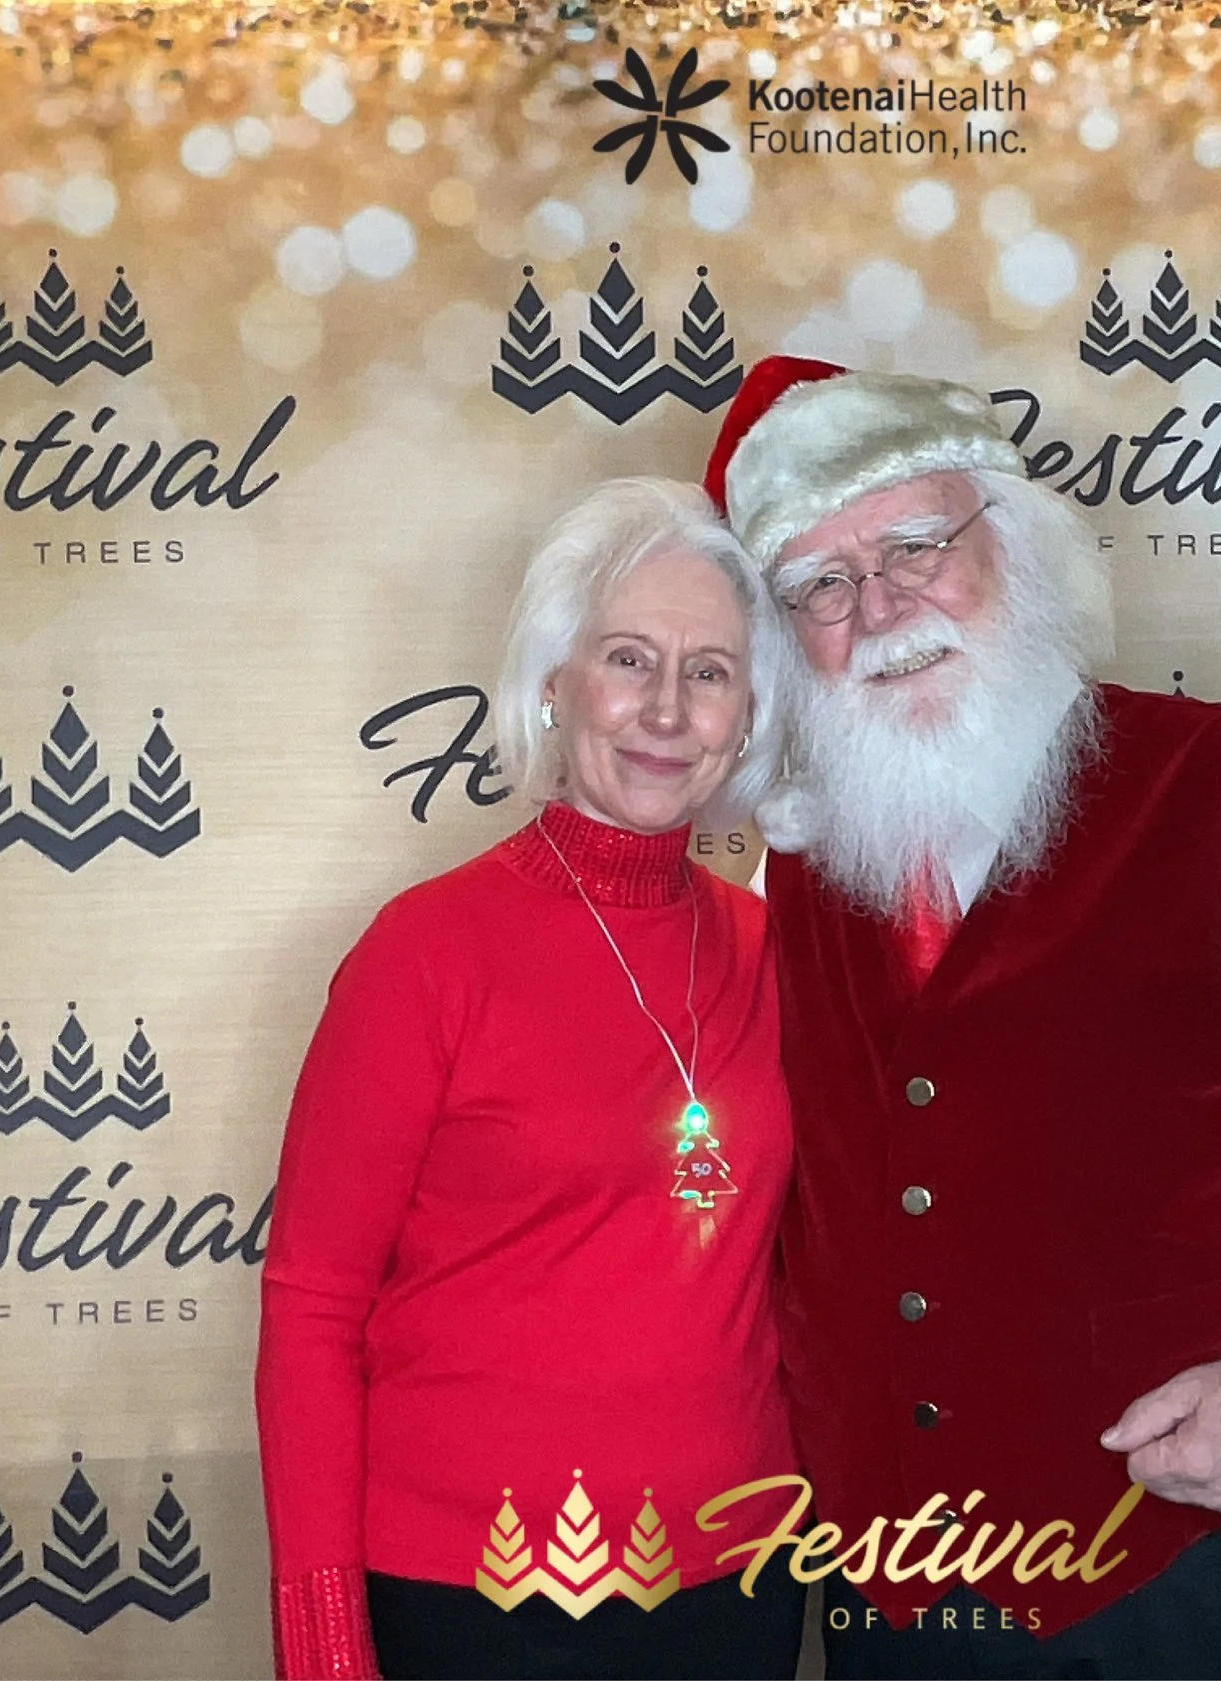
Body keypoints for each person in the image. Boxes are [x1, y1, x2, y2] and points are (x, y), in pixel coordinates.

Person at [700, 359, 1221, 1680]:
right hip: (916, 1609)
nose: (880, 609)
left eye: (917, 545)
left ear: (1015, 544)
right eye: (820, 583)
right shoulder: (776, 872)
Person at [256, 478, 805, 1681]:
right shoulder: (425, 952)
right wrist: (323, 1638)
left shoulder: (780, 951)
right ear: (554, 683)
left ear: (750, 707)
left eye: (708, 669)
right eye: (627, 658)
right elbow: (310, 1307)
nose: (666, 706)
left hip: (736, 1581)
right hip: (474, 1596)